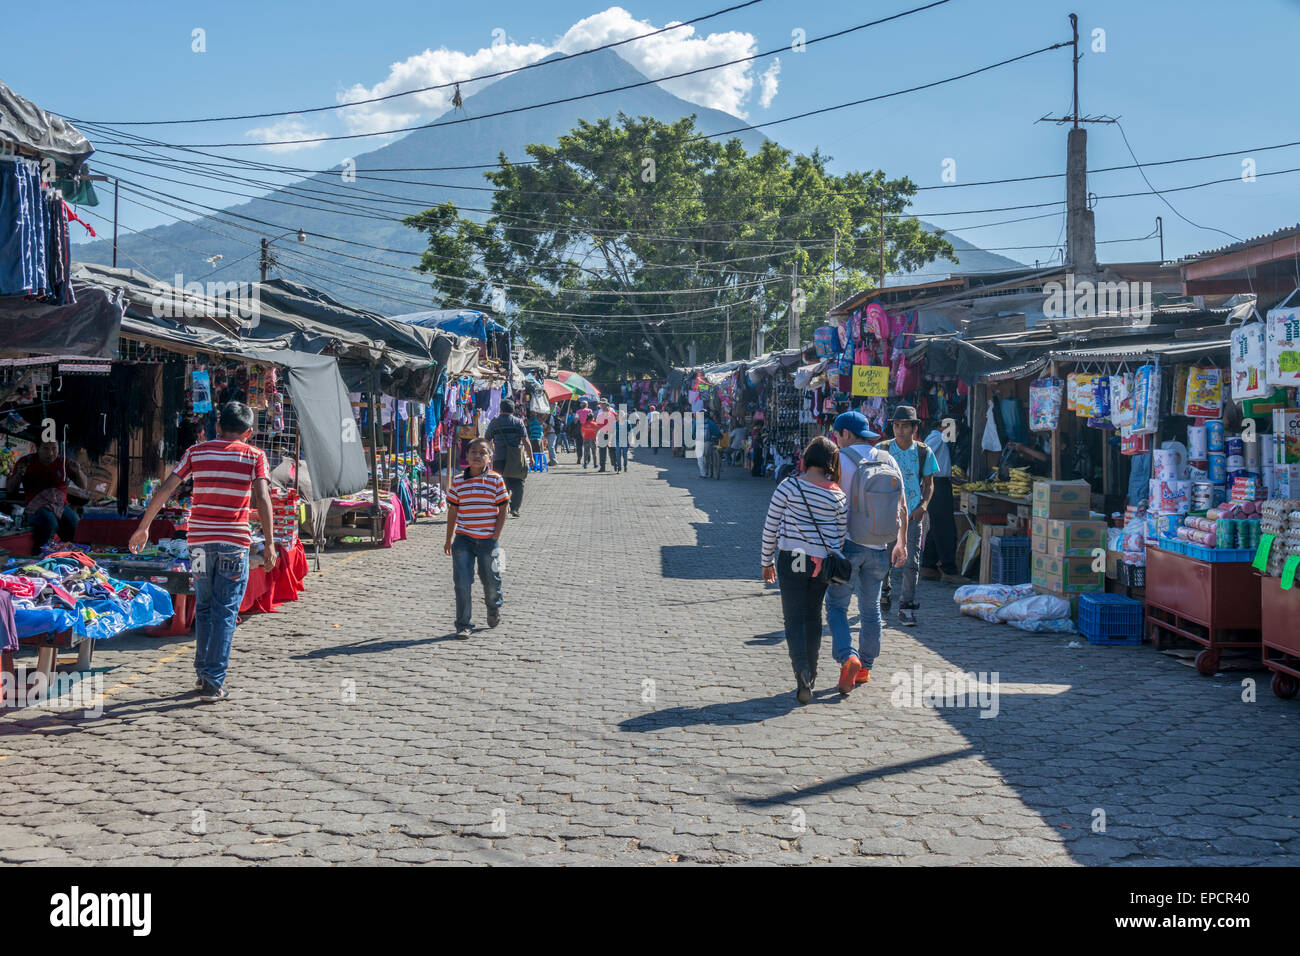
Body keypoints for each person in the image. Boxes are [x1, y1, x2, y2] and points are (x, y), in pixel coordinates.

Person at [129, 402, 276, 702]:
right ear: (249, 432)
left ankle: (203, 672)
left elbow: (167, 488)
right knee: (225, 611)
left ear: (218, 427)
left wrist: (144, 526)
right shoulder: (255, 455)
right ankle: (212, 680)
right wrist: (270, 543)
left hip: (197, 544)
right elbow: (262, 497)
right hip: (234, 545)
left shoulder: (196, 452)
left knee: (206, 607)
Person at [824, 411, 909, 694]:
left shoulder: (840, 460)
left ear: (847, 433)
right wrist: (902, 543)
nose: (836, 440)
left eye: (837, 435)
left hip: (847, 546)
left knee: (837, 606)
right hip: (880, 548)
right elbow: (903, 507)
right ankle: (864, 668)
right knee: (870, 609)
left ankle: (847, 656)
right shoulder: (888, 458)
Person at [760, 436, 848, 705]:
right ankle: (812, 671)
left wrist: (767, 561)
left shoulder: (789, 487)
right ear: (832, 463)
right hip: (820, 563)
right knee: (813, 617)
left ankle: (801, 671)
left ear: (806, 458)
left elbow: (771, 525)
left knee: (793, 619)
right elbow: (840, 537)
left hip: (793, 558)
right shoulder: (838, 496)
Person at [877, 405, 937, 627]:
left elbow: (930, 484)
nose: (899, 430)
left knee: (912, 560)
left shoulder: (924, 452)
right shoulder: (881, 450)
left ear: (914, 428)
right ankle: (884, 590)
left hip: (912, 514)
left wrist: (923, 504)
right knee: (884, 558)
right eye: (896, 425)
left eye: (904, 426)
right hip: (885, 514)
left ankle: (906, 606)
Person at [444, 438, 508, 640]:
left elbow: (503, 508)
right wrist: (449, 539)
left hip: (488, 540)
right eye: (473, 452)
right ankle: (463, 624)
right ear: (466, 456)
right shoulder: (457, 482)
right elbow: (453, 511)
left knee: (491, 579)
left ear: (489, 457)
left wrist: (495, 535)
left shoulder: (496, 480)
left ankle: (493, 606)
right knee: (462, 582)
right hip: (463, 539)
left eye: (482, 452)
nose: (477, 456)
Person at [7, 441, 86, 550]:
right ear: (37, 448)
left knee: (76, 523)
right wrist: (19, 475)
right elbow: (10, 489)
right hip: (36, 506)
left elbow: (83, 485)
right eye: (46, 449)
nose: (51, 453)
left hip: (60, 505)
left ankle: (71, 553)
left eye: (54, 448)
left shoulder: (63, 462)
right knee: (50, 523)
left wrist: (78, 472)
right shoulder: (26, 461)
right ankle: (41, 554)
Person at [921, 419, 965, 584]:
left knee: (937, 526)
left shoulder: (939, 439)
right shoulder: (937, 438)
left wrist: (948, 476)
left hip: (941, 482)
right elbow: (924, 455)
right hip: (937, 486)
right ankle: (949, 569)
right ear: (944, 426)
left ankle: (928, 565)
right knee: (945, 528)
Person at [484, 398, 528, 516]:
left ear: (501, 409)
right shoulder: (518, 422)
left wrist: (488, 454)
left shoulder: (495, 422)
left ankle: (503, 508)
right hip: (516, 458)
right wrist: (531, 457)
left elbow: (486, 439)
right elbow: (526, 441)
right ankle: (514, 508)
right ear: (513, 410)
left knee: (501, 483)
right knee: (518, 483)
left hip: (499, 458)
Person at [595, 399, 619, 473]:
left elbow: (618, 423)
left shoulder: (613, 414)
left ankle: (615, 465)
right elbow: (598, 426)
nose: (600, 406)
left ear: (606, 405)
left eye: (602, 404)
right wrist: (595, 435)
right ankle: (602, 467)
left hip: (611, 434)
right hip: (602, 434)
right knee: (602, 451)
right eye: (600, 405)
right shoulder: (600, 415)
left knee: (612, 450)